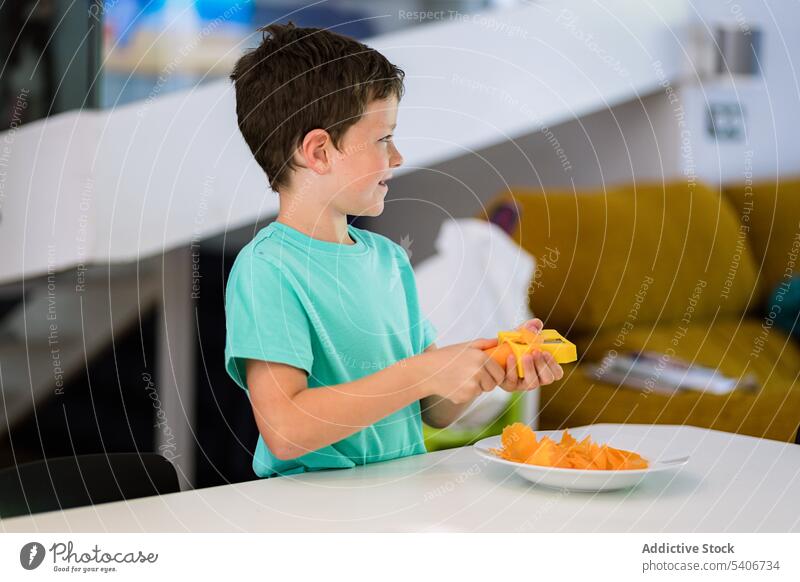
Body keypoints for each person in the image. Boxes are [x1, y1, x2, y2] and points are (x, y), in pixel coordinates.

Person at [224, 23, 563, 477]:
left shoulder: (388, 261)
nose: (398, 156)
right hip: (316, 518)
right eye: (383, 138)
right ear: (319, 152)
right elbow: (286, 430)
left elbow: (432, 411)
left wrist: (485, 372)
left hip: (399, 499)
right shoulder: (266, 270)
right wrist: (423, 372)